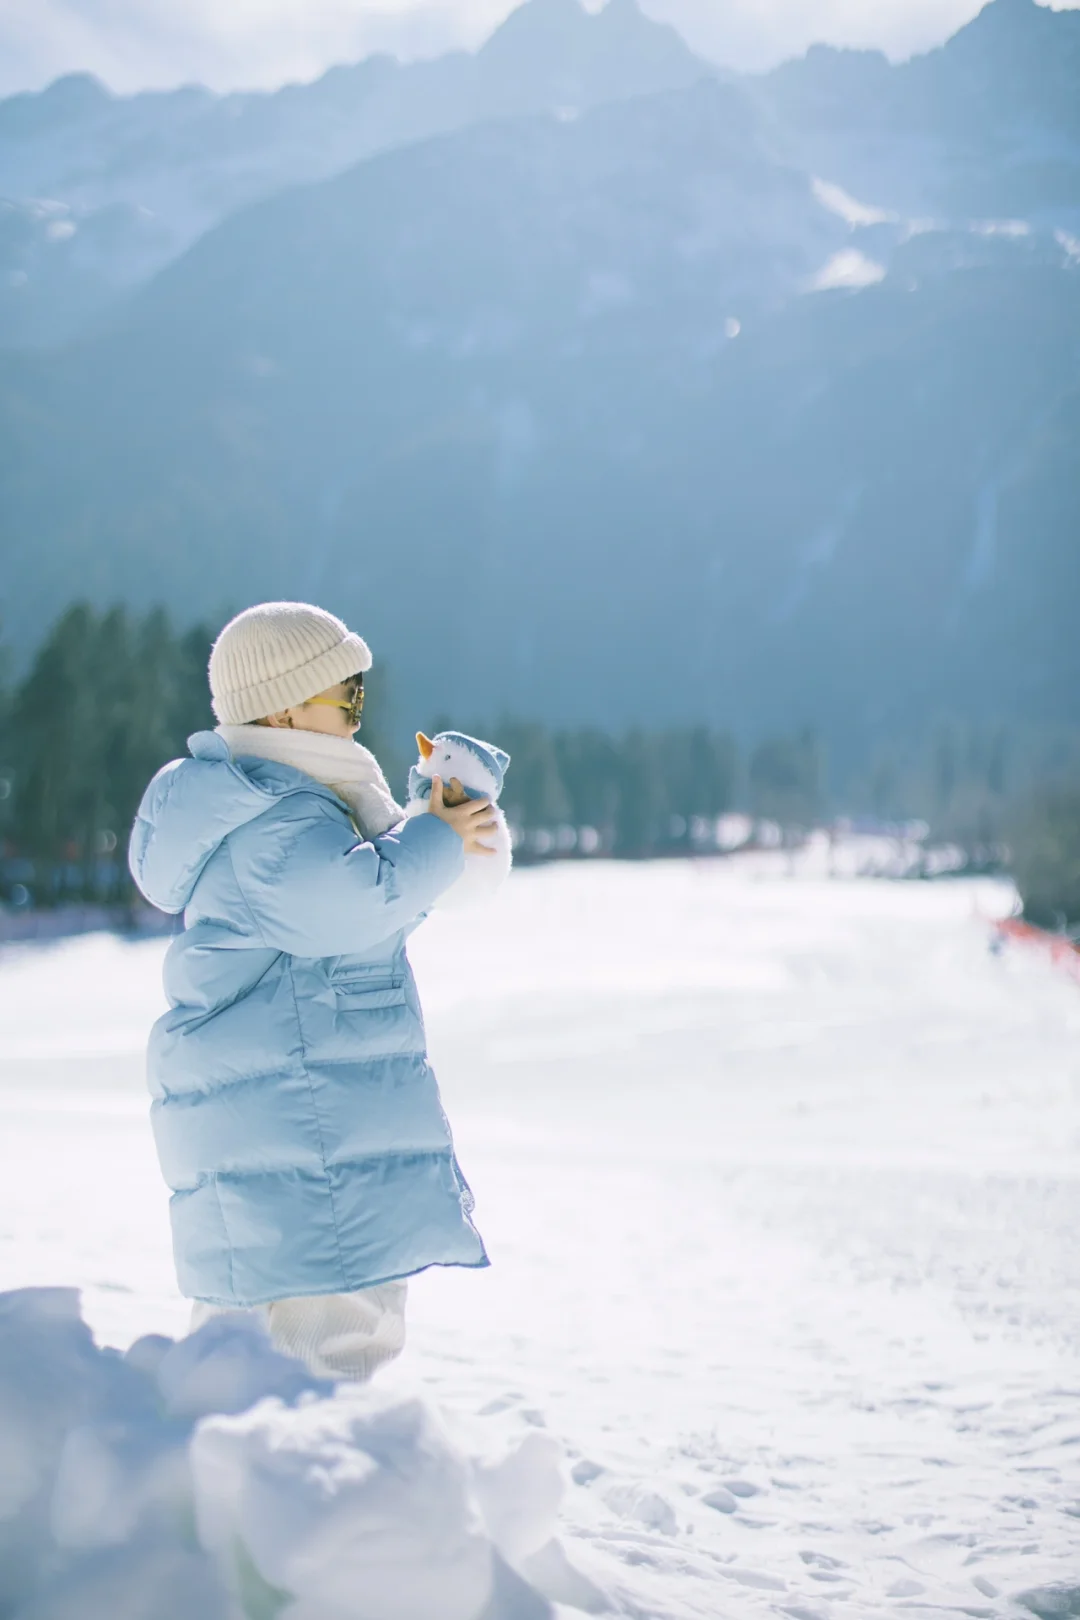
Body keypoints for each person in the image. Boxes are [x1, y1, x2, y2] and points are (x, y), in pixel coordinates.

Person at [128, 601, 499, 1381]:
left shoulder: (265, 803)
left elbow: (373, 901)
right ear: (289, 705)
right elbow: (355, 902)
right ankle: (310, 1487)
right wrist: (433, 836)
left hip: (284, 1117)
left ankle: (200, 1476)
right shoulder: (277, 816)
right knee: (330, 1337)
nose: (361, 716)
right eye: (349, 698)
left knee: (245, 1342)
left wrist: (441, 840)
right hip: (305, 1126)